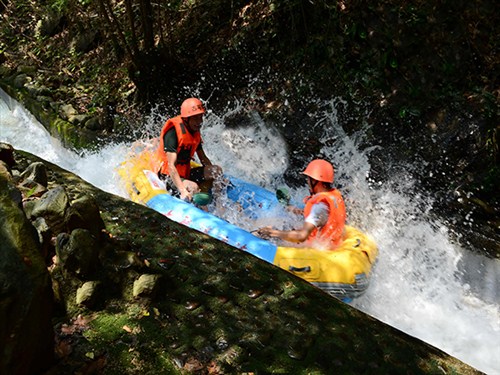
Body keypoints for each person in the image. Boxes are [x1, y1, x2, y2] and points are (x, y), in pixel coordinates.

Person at [257, 159, 346, 249]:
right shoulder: (334, 195)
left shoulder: (319, 206)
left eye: (308, 178)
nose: (307, 182)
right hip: (331, 243)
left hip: (317, 249)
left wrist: (272, 232)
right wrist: (298, 211)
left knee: (270, 230)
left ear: (315, 180)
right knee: (288, 225)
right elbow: (324, 216)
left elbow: (302, 236)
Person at [157, 98, 222, 203]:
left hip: (186, 173)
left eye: (200, 117)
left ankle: (219, 203)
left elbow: (203, 158)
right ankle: (204, 211)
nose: (199, 122)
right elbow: (171, 166)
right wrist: (183, 190)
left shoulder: (194, 131)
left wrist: (216, 178)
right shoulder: (173, 134)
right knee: (193, 187)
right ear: (186, 119)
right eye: (195, 118)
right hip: (168, 176)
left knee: (216, 171)